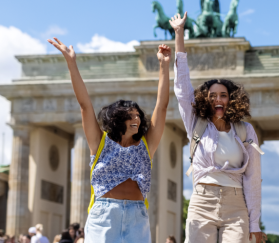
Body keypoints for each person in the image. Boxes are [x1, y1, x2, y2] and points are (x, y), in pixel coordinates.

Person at [49, 35, 170, 243]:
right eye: (131, 115)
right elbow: (85, 105)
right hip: (104, 215)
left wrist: (164, 66)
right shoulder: (100, 142)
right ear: (117, 119)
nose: (137, 118)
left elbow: (162, 106)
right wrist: (72, 64)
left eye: (138, 115)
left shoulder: (146, 145)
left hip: (137, 217)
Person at [172, 12, 265, 243]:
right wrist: (179, 34)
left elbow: (253, 179)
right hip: (202, 201)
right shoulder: (196, 123)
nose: (218, 100)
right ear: (206, 99)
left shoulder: (245, 131)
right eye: (212, 96)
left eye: (223, 95)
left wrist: (254, 223)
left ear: (232, 100)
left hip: (236, 205)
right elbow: (183, 89)